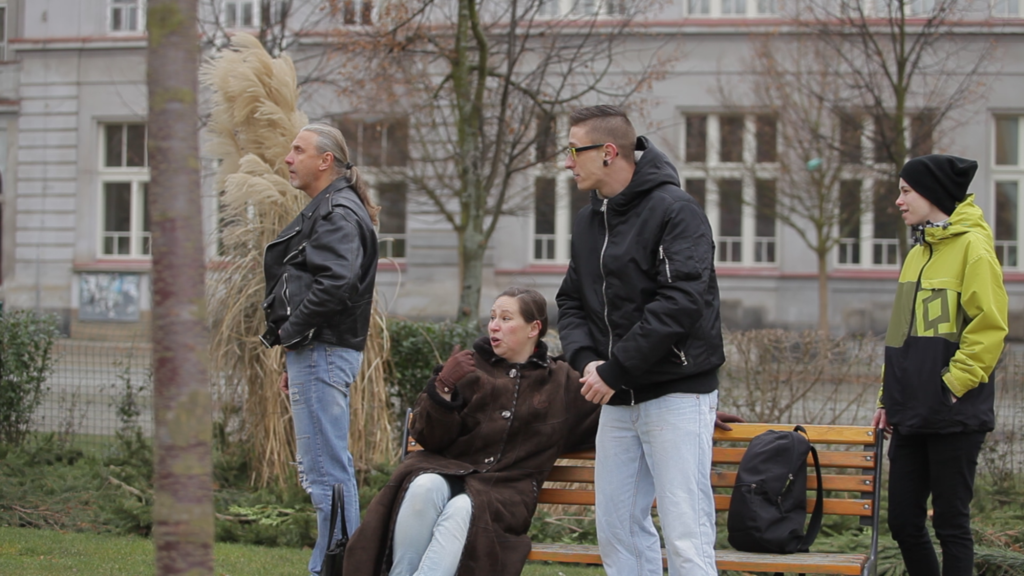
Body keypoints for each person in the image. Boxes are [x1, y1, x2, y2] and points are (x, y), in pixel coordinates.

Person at [556, 105, 725, 576]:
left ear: (608, 152)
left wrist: (616, 368)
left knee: (686, 532)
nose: (568, 161)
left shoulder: (675, 211)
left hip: (677, 391)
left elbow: (681, 302)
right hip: (616, 394)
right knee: (617, 529)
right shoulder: (590, 222)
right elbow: (571, 300)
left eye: (574, 150)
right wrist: (588, 361)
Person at [343, 287, 602, 576]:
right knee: (423, 486)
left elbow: (607, 411)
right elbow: (429, 438)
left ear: (534, 328)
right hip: (446, 468)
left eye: (506, 318)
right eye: (493, 317)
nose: (494, 325)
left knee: (464, 509)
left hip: (505, 491)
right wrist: (442, 387)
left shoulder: (562, 382)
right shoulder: (468, 368)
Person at [873, 154, 1008, 576]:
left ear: (933, 195)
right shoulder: (918, 253)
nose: (899, 200)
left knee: (951, 524)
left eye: (906, 191)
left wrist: (950, 386)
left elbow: (990, 329)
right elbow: (898, 338)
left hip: (954, 413)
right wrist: (886, 397)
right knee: (903, 522)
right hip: (909, 412)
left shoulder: (974, 249)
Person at [260, 123, 379, 576]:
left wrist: (292, 334)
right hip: (319, 352)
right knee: (326, 466)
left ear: (325, 160)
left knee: (325, 470)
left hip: (323, 350)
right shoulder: (335, 207)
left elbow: (337, 281)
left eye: (298, 150)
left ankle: (340, 566)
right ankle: (337, 564)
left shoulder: (337, 211)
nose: (288, 159)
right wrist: (296, 350)